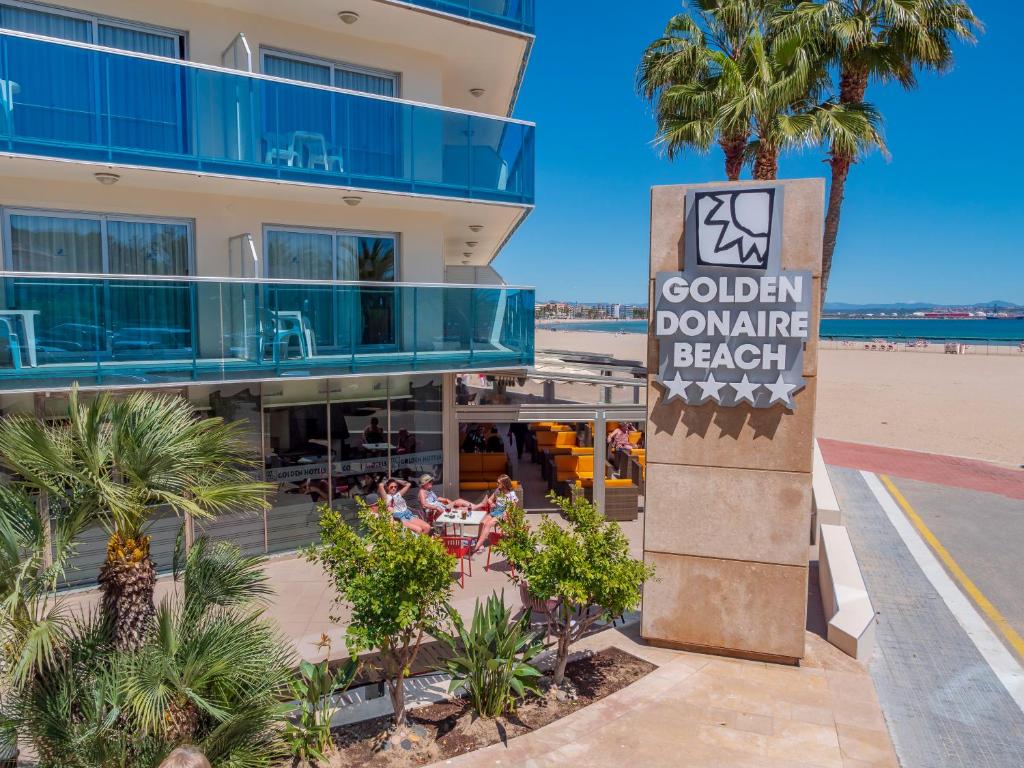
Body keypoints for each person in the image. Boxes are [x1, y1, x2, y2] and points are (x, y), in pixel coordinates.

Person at [473, 475, 518, 553]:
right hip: (496, 511)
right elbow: (489, 499)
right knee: (482, 522)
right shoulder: (498, 491)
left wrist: (506, 513)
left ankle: (477, 546)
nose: (497, 484)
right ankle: (480, 542)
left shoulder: (511, 494)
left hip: (504, 514)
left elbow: (513, 507)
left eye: (498, 483)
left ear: (504, 484)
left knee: (488, 524)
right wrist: (491, 503)